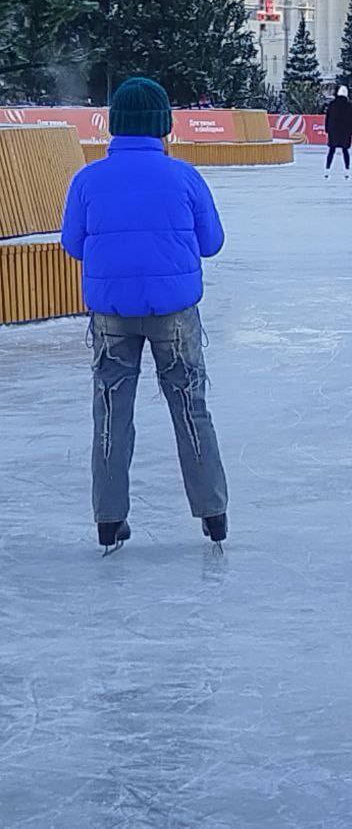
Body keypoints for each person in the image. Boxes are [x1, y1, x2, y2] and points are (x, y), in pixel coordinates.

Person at [59, 77, 229, 553]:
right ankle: (213, 513)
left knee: (112, 413)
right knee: (191, 408)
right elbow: (212, 243)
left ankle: (109, 520)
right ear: (162, 126)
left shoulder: (87, 179)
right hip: (174, 312)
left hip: (111, 315)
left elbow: (73, 244)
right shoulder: (184, 176)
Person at [323, 85, 352, 179]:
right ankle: (347, 170)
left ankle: (327, 169)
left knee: (331, 150)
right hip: (345, 132)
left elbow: (327, 118)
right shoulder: (348, 105)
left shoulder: (332, 104)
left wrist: (327, 129)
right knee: (345, 151)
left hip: (333, 132)